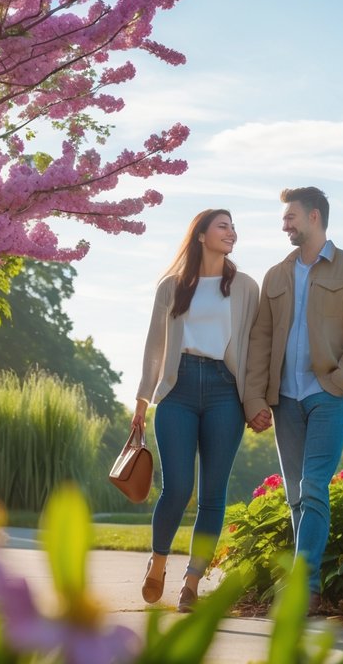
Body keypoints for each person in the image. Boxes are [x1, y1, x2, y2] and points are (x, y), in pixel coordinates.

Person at [244, 187, 343, 611]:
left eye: (291, 217)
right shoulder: (275, 275)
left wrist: (338, 381)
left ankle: (305, 586)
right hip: (284, 398)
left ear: (315, 217)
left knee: (315, 485)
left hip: (328, 395)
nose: (284, 225)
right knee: (295, 493)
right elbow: (261, 339)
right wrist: (255, 398)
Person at [133, 209, 259, 613]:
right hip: (178, 390)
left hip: (226, 390)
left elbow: (256, 348)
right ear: (201, 235)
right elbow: (155, 346)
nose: (232, 233)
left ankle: (192, 581)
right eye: (223, 226)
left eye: (233, 228)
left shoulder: (244, 287)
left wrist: (256, 400)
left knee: (213, 495)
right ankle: (159, 558)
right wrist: (141, 399)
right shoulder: (172, 287)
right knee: (178, 487)